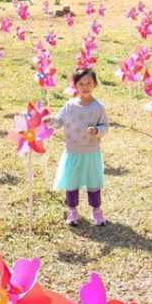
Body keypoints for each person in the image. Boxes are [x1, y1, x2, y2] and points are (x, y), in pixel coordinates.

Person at [51, 68, 109, 226]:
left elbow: (105, 126)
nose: (85, 86)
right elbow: (58, 121)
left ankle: (96, 210)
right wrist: (48, 122)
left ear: (95, 84)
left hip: (91, 151)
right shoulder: (69, 105)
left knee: (93, 182)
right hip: (73, 151)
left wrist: (97, 130)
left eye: (89, 83)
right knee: (72, 182)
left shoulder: (98, 107)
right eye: (81, 84)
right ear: (75, 86)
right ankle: (72, 210)